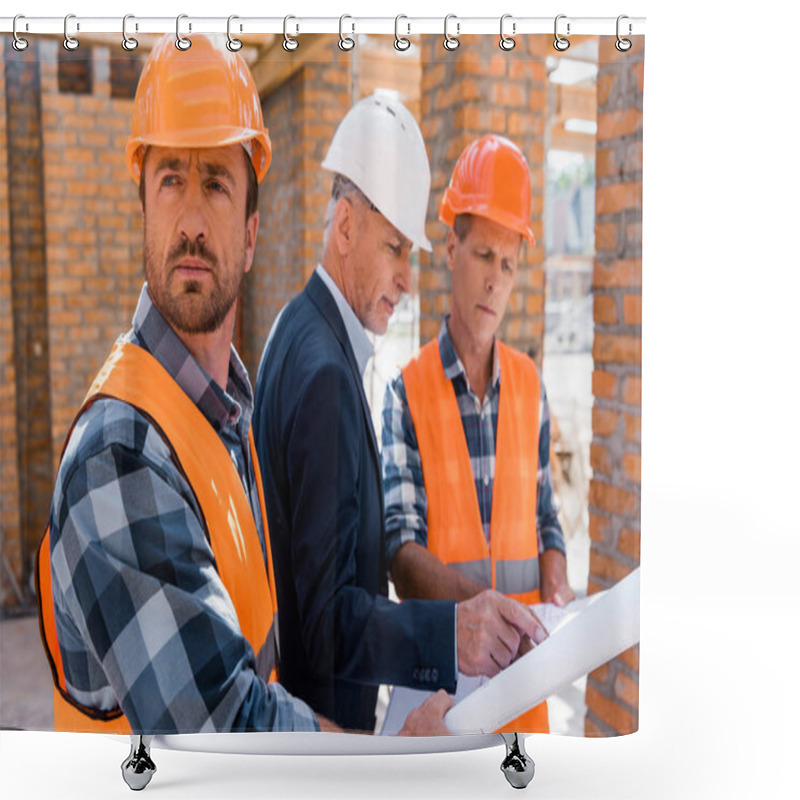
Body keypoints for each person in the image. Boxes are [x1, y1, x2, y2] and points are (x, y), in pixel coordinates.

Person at [36, 35, 447, 738]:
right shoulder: (118, 451)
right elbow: (226, 725)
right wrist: (388, 765)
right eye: (171, 179)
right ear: (142, 206)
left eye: (217, 184)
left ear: (252, 235)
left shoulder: (228, 411)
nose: (192, 221)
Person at [253, 94, 547, 734]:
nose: (406, 278)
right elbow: (329, 624)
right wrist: (452, 632)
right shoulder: (325, 371)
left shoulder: (297, 332)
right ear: (346, 227)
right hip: (323, 725)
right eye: (394, 248)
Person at [381, 134, 576, 733]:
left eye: (509, 264)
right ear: (450, 249)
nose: (496, 280)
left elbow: (545, 515)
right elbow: (401, 554)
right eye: (484, 255)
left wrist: (557, 578)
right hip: (442, 698)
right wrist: (485, 611)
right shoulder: (405, 393)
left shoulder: (530, 386)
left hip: (526, 694)